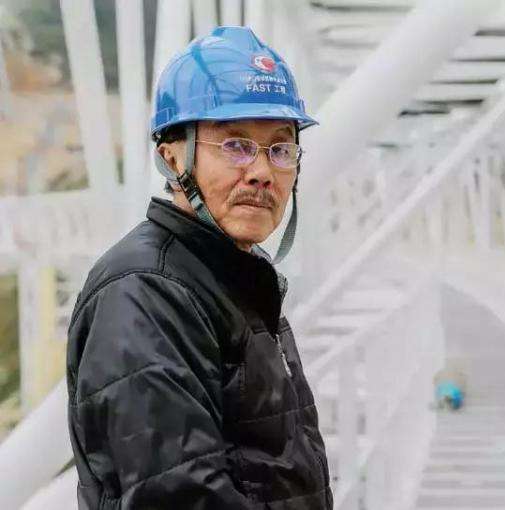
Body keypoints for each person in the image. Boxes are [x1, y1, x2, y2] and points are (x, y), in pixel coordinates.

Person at [66, 26, 332, 509]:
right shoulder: (144, 294)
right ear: (172, 158)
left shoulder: (233, 275)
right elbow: (178, 495)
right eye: (235, 145)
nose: (262, 172)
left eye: (281, 149)